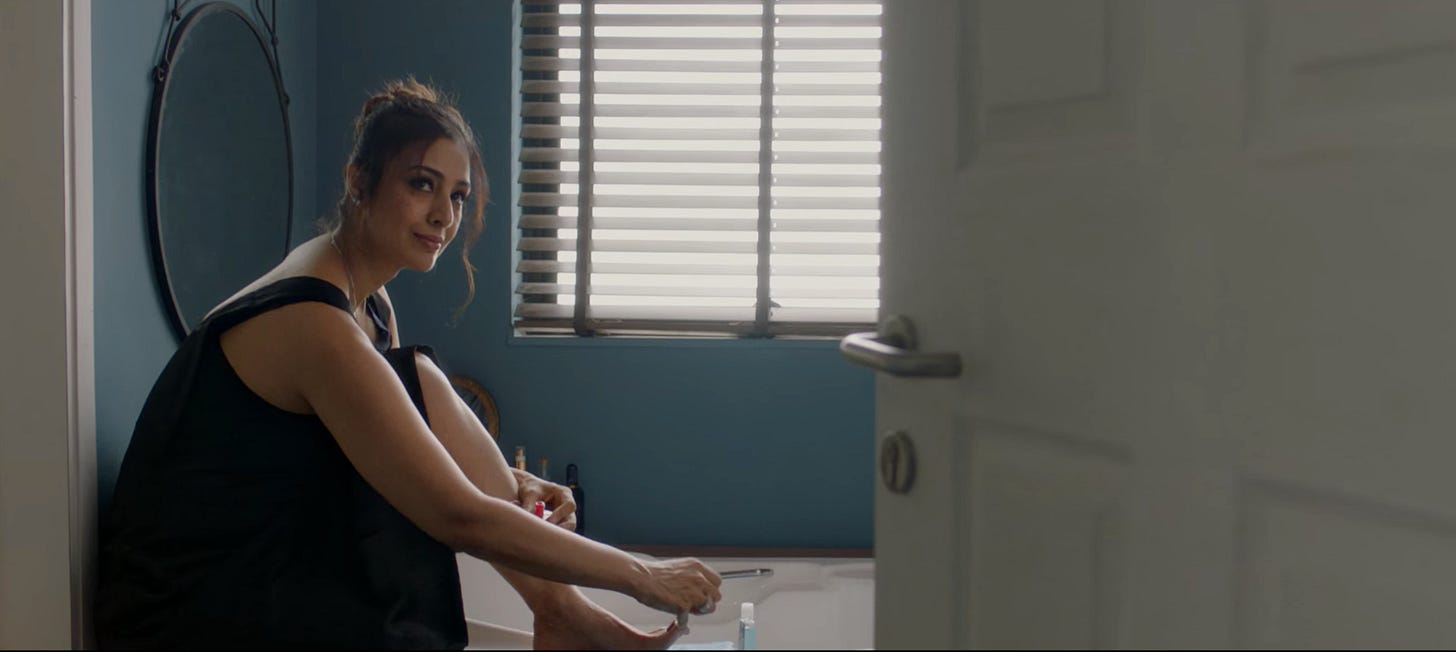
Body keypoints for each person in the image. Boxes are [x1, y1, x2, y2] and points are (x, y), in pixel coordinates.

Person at [95, 77, 721, 649]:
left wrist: (516, 482)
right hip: (192, 610)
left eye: (458, 195)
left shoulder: (368, 303)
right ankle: (566, 614)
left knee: (414, 380)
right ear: (358, 181)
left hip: (277, 562)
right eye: (422, 184)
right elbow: (457, 516)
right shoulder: (313, 322)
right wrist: (640, 573)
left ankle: (562, 613)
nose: (444, 215)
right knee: (416, 380)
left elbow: (404, 440)